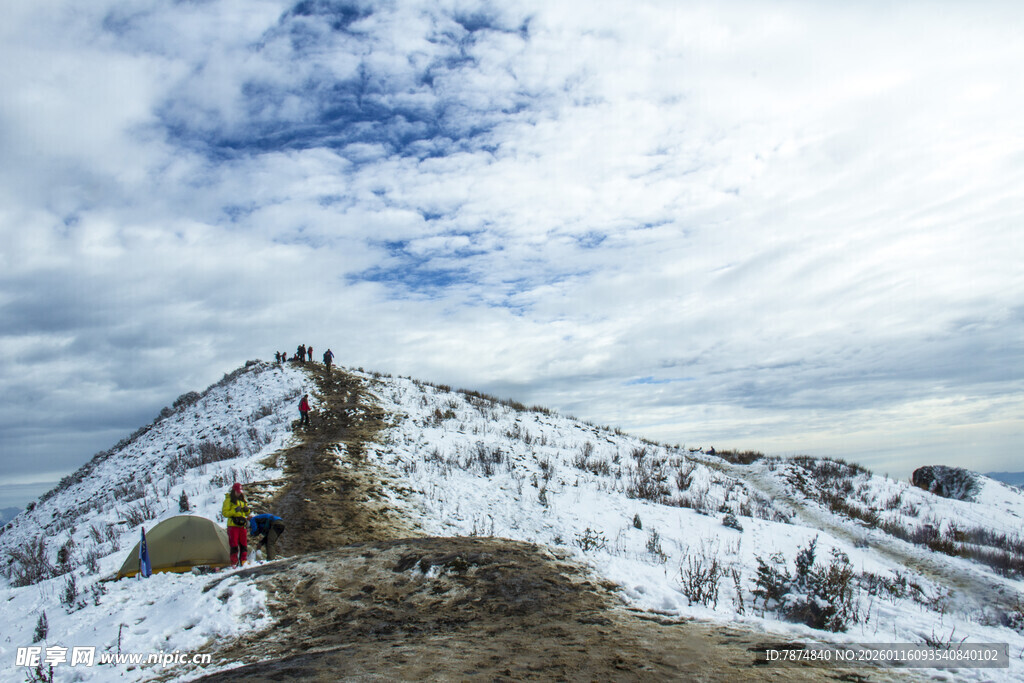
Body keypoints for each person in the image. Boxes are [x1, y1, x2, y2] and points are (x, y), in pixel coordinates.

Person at [222, 483, 251, 567]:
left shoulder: (242, 500)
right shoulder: (228, 500)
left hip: (242, 525)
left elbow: (247, 513)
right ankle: (234, 562)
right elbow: (225, 513)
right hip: (233, 525)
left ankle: (243, 561)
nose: (239, 493)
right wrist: (235, 511)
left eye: (240, 491)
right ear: (234, 490)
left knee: (243, 543)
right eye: (237, 491)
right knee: (234, 544)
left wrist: (247, 510)